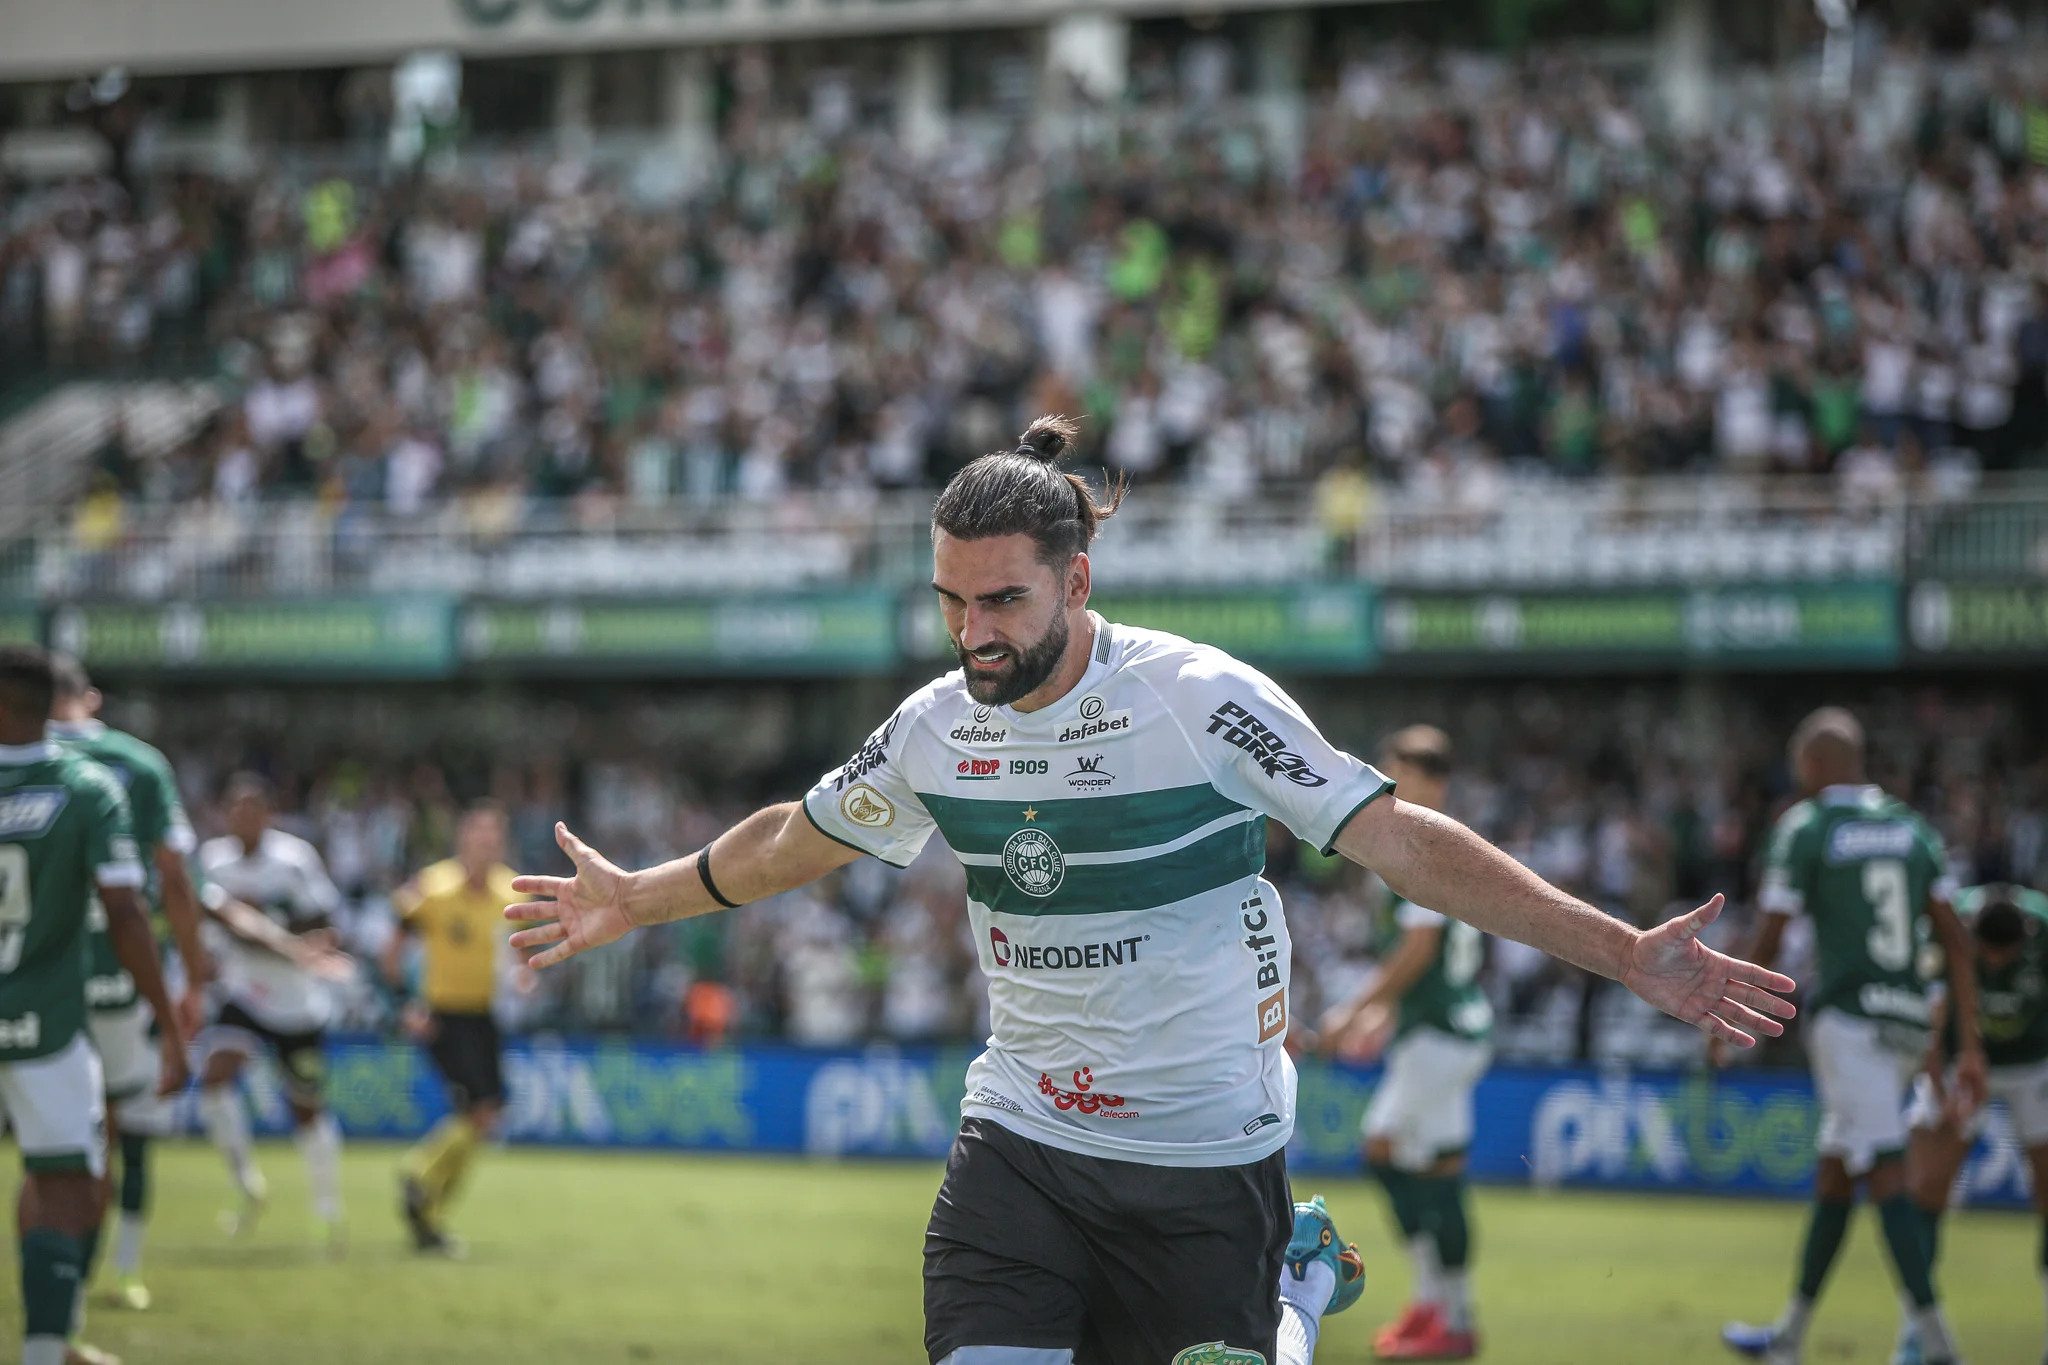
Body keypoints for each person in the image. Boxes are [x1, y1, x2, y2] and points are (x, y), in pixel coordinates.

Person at [506, 416, 1795, 1365]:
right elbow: (795, 838)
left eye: (1001, 600)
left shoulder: (1199, 703)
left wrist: (1620, 949)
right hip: (1018, 1147)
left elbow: (1398, 841)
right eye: (950, 604)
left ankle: (1293, 1290)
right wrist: (639, 899)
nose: (972, 637)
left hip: (1204, 1157)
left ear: (1075, 579)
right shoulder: (934, 727)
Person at [1723, 707, 1981, 1365]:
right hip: (1906, 1022)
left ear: (1813, 762)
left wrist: (1730, 1005)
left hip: (1851, 1022)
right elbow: (1955, 939)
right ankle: (1787, 1337)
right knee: (1837, 1173)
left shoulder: (1808, 827)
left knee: (1884, 1171)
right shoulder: (1912, 828)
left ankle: (1939, 1344)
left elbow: (1775, 928)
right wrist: (1969, 1042)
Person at [0, 646, 188, 1365]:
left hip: (53, 1019)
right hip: (46, 1024)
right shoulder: (86, 787)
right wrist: (169, 1022)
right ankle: (45, 1350)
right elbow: (128, 912)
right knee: (68, 1185)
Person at [1318, 726, 1491, 1361]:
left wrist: (1353, 1011)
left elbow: (1419, 951)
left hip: (1441, 1037)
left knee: (1393, 1154)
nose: (1389, 785)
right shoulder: (1429, 844)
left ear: (1434, 785)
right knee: (1420, 1163)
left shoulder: (1425, 846)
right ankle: (1441, 1310)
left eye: (1402, 776)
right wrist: (1381, 1021)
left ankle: (1448, 1314)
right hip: (1441, 1030)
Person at [45, 653, 212, 1313]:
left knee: (57, 1148)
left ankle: (64, 1287)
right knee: (132, 1130)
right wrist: (192, 981)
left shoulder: (14, 762)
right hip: (122, 984)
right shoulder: (138, 765)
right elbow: (172, 880)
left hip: (36, 986)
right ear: (90, 698)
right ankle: (122, 1270)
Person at [194, 772, 349, 1247]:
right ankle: (247, 1185)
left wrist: (277, 930)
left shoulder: (293, 859)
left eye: (253, 809)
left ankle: (326, 1207)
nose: (244, 818)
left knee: (306, 1108)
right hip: (243, 992)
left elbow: (322, 921)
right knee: (216, 1077)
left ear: (268, 814)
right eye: (235, 809)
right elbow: (209, 918)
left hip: (296, 1000)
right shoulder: (212, 861)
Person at [1898, 883, 2048, 1365]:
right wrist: (1938, 1082)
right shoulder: (1943, 927)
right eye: (1990, 957)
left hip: (2035, 1063)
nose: (1999, 966)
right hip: (1959, 1058)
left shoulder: (2045, 930)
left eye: (2008, 957)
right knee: (1925, 1188)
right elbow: (1928, 1007)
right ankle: (1915, 1335)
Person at [384, 799, 528, 1255]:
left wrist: (525, 975)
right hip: (442, 1015)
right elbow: (391, 951)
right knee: (481, 1110)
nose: (485, 844)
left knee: (483, 1117)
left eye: (493, 836)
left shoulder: (513, 892)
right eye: (477, 835)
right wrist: (406, 1004)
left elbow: (518, 954)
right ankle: (420, 1174)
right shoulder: (433, 888)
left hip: (485, 1015)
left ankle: (426, 1214)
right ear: (463, 839)